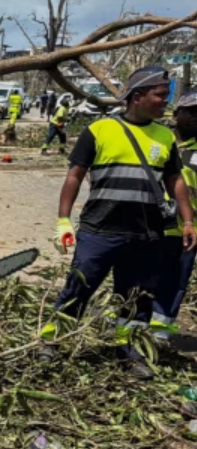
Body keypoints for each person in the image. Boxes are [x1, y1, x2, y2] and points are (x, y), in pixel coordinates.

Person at [41, 67, 197, 379]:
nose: (164, 103)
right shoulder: (98, 131)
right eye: (159, 96)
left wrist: (188, 220)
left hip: (145, 235)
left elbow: (174, 180)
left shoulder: (164, 137)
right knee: (79, 288)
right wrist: (63, 220)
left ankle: (128, 353)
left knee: (135, 298)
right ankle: (51, 342)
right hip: (100, 230)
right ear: (137, 96)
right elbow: (75, 176)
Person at [152, 89, 197, 340]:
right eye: (192, 112)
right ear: (177, 113)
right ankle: (130, 332)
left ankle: (157, 337)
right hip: (148, 228)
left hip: (185, 233)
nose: (196, 118)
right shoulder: (158, 141)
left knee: (173, 284)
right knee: (141, 280)